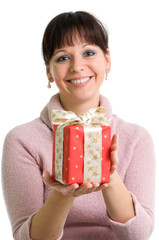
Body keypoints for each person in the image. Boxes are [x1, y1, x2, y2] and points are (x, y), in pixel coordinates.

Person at [1, 11, 155, 240]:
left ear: (108, 60)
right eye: (63, 57)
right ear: (48, 71)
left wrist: (109, 176)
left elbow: (139, 235)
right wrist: (62, 194)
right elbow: (26, 237)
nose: (77, 66)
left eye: (89, 52)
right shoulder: (22, 140)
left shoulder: (136, 138)